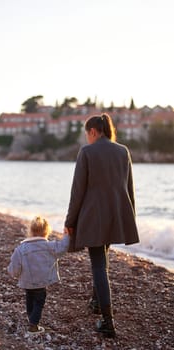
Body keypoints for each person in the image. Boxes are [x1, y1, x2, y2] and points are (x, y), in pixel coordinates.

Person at [64, 113, 139, 338]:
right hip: (116, 215)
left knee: (98, 264)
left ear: (93, 132)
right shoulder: (122, 151)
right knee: (102, 261)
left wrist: (70, 221)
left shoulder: (87, 152)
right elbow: (130, 189)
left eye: (87, 134)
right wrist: (130, 218)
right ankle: (96, 302)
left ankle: (108, 321)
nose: (87, 138)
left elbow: (77, 191)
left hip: (93, 217)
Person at [8, 216, 70, 334]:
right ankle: (33, 325)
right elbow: (63, 247)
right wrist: (67, 235)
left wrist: (13, 273)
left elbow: (14, 267)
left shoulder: (21, 249)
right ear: (47, 232)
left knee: (30, 300)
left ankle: (31, 319)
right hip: (41, 282)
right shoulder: (49, 246)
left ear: (30, 231)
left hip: (27, 283)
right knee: (39, 303)